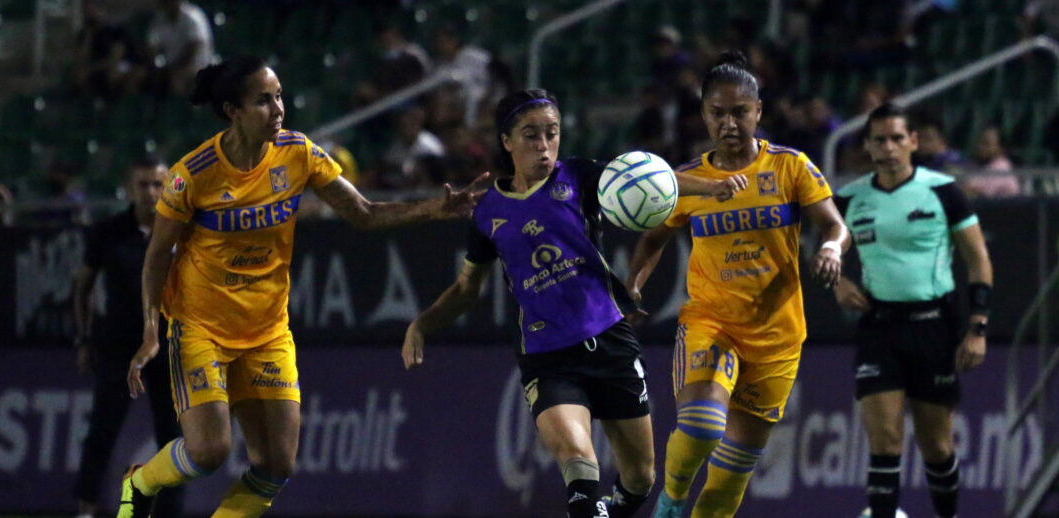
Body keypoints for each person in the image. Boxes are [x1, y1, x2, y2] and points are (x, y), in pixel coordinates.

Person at [117, 55, 486, 518]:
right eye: (262, 101)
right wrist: (152, 328)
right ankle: (141, 482)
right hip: (200, 327)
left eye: (279, 97)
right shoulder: (193, 174)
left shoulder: (298, 153)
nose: (277, 110)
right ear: (232, 111)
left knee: (276, 464)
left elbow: (363, 213)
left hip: (267, 330)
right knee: (209, 452)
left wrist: (434, 209)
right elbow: (156, 258)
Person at [400, 88, 747, 518]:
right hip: (548, 357)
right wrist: (422, 325)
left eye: (552, 133)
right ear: (506, 141)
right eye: (531, 135)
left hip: (610, 340)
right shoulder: (487, 214)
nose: (544, 145)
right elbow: (467, 289)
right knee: (580, 467)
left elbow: (650, 179)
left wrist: (711, 189)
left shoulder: (579, 176)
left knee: (640, 478)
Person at [627, 52, 850, 518]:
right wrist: (634, 286)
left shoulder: (791, 167)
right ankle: (670, 496)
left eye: (739, 112)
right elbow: (652, 242)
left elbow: (834, 224)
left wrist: (831, 249)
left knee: (730, 481)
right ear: (703, 114)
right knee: (705, 425)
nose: (729, 122)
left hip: (777, 338)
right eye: (717, 112)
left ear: (758, 112)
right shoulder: (686, 182)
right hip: (712, 322)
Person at [832, 102, 993, 518]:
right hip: (879, 327)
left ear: (913, 142)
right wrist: (837, 281)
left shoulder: (943, 191)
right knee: (884, 441)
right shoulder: (850, 198)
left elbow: (978, 260)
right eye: (880, 140)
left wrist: (977, 327)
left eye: (897, 138)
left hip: (934, 326)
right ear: (867, 146)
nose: (889, 147)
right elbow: (809, 245)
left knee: (937, 447)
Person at [73, 158, 183, 518]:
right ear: (129, 188)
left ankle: (170, 512)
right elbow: (83, 288)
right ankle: (86, 509)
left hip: (169, 346)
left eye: (157, 184)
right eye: (143, 184)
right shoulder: (107, 232)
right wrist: (84, 339)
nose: (150, 192)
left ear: (168, 186)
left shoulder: (181, 231)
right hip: (119, 345)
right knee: (102, 430)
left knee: (174, 437)